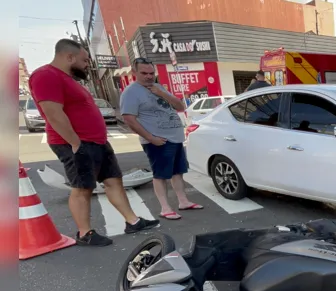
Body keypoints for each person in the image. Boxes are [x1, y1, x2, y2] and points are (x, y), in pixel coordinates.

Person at [28, 39, 160, 246]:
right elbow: (53, 113)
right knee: (82, 188)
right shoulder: (46, 75)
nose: (87, 64)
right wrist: (75, 143)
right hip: (76, 143)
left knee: (114, 180)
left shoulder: (68, 79)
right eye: (84, 60)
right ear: (69, 57)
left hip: (97, 141)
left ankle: (133, 221)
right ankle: (85, 233)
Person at [120, 57, 204, 221]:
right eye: (144, 73)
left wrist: (162, 93)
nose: (149, 76)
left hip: (175, 138)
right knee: (160, 175)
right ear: (134, 73)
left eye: (151, 73)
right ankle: (165, 208)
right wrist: (151, 138)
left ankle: (183, 201)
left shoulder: (158, 87)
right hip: (158, 141)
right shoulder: (130, 92)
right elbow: (129, 119)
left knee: (178, 172)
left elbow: (180, 107)